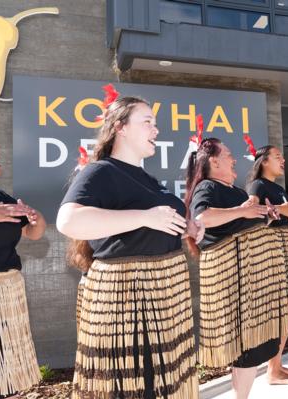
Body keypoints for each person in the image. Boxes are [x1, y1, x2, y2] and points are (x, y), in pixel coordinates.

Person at [57, 96, 202, 398]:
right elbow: (68, 221)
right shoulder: (101, 171)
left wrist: (185, 226)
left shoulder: (146, 178)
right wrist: (146, 217)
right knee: (134, 384)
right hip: (127, 301)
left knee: (157, 381)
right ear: (120, 128)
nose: (155, 129)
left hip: (162, 300)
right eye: (147, 122)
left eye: (155, 123)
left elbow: (151, 224)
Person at [186, 138, 288, 399]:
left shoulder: (236, 191)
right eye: (229, 155)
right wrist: (241, 211)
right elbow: (202, 218)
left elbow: (245, 223)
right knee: (244, 347)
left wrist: (266, 215)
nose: (234, 160)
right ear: (214, 161)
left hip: (250, 277)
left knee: (252, 347)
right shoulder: (207, 186)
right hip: (232, 276)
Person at [246, 145, 288, 385]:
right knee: (282, 311)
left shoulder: (278, 188)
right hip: (270, 253)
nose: (283, 160)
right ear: (263, 161)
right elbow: (251, 215)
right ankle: (273, 371)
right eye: (277, 157)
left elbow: (281, 216)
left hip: (283, 249)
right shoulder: (257, 186)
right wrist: (280, 211)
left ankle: (277, 366)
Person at [0, 145, 46, 398]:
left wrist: (37, 220)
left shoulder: (4, 198)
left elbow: (31, 234)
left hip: (6, 290)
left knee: (6, 357)